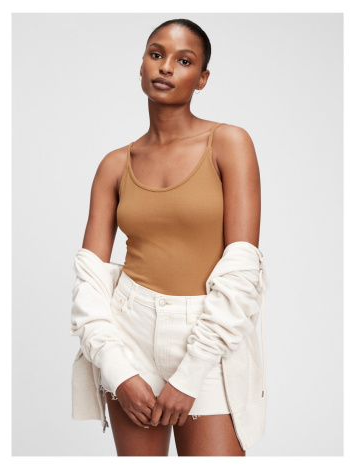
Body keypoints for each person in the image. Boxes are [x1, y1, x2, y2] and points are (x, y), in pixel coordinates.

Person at [80, 18, 263, 457]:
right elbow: (90, 280)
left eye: (184, 61)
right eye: (156, 54)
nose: (165, 67)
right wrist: (118, 371)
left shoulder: (229, 143)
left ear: (202, 79)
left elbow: (242, 268)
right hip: (130, 332)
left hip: (209, 333)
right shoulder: (114, 164)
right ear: (142, 65)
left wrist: (191, 374)